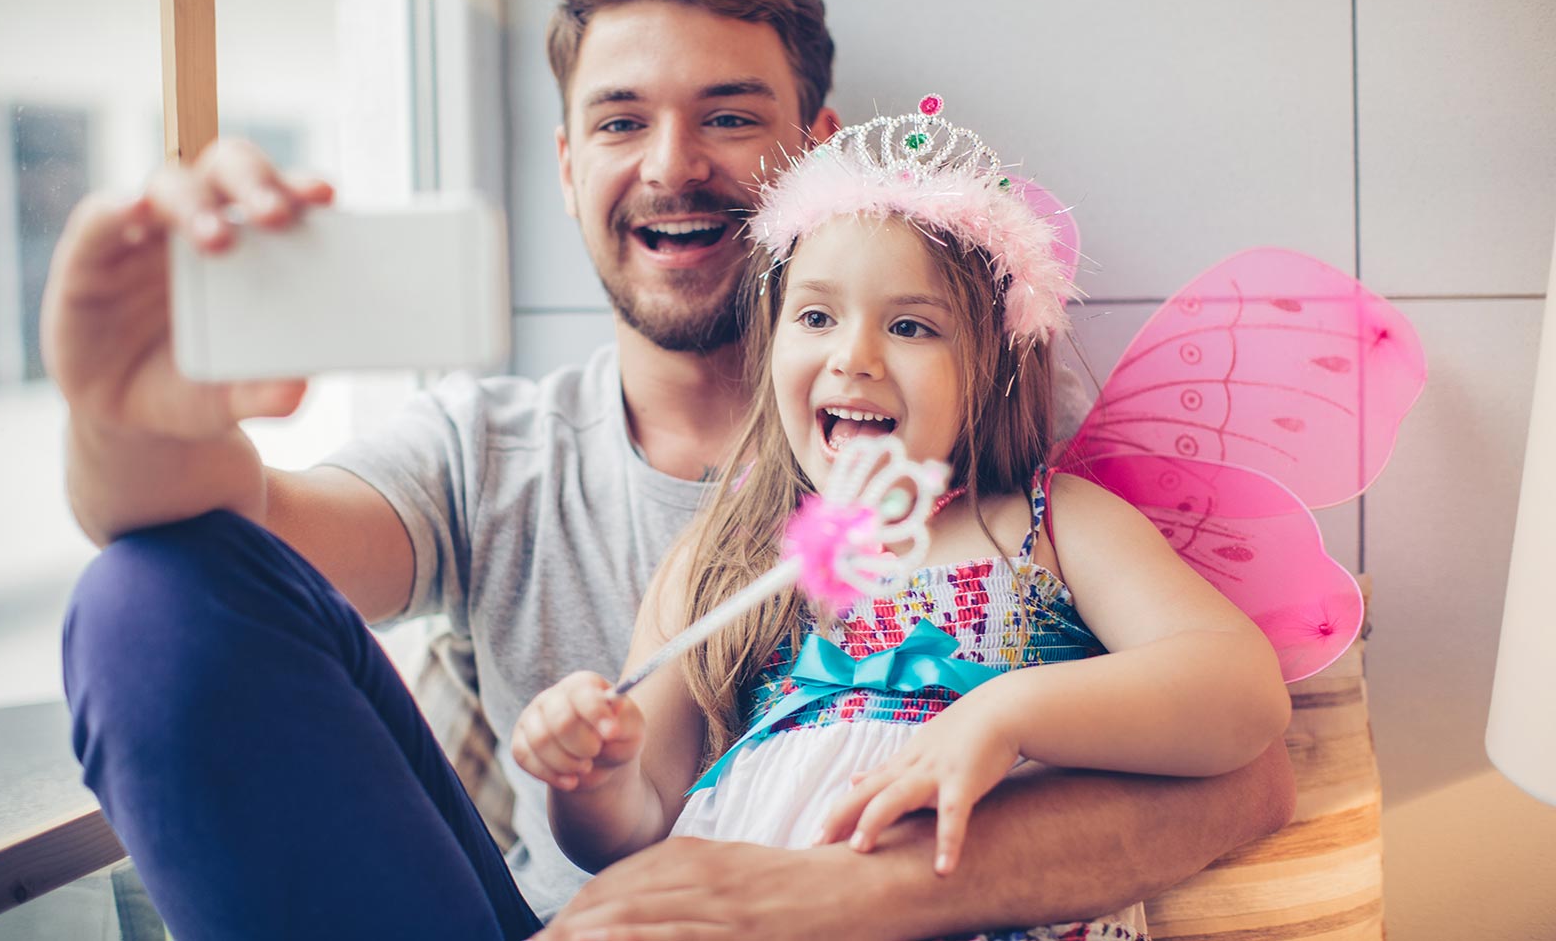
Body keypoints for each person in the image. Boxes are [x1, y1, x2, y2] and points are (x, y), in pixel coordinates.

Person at [47, 0, 1294, 941]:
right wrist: (133, 411)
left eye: (729, 115)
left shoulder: (1025, 510)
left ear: (814, 159)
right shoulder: (501, 460)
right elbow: (220, 550)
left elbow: (1244, 747)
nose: (670, 163)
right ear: (567, 157)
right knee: (139, 595)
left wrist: (843, 889)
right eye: (621, 118)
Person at [509, 104, 1293, 941]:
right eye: (815, 317)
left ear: (991, 365)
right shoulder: (724, 555)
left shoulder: (1049, 524)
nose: (854, 356)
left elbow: (1242, 692)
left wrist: (1008, 713)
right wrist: (590, 775)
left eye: (911, 325)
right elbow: (634, 827)